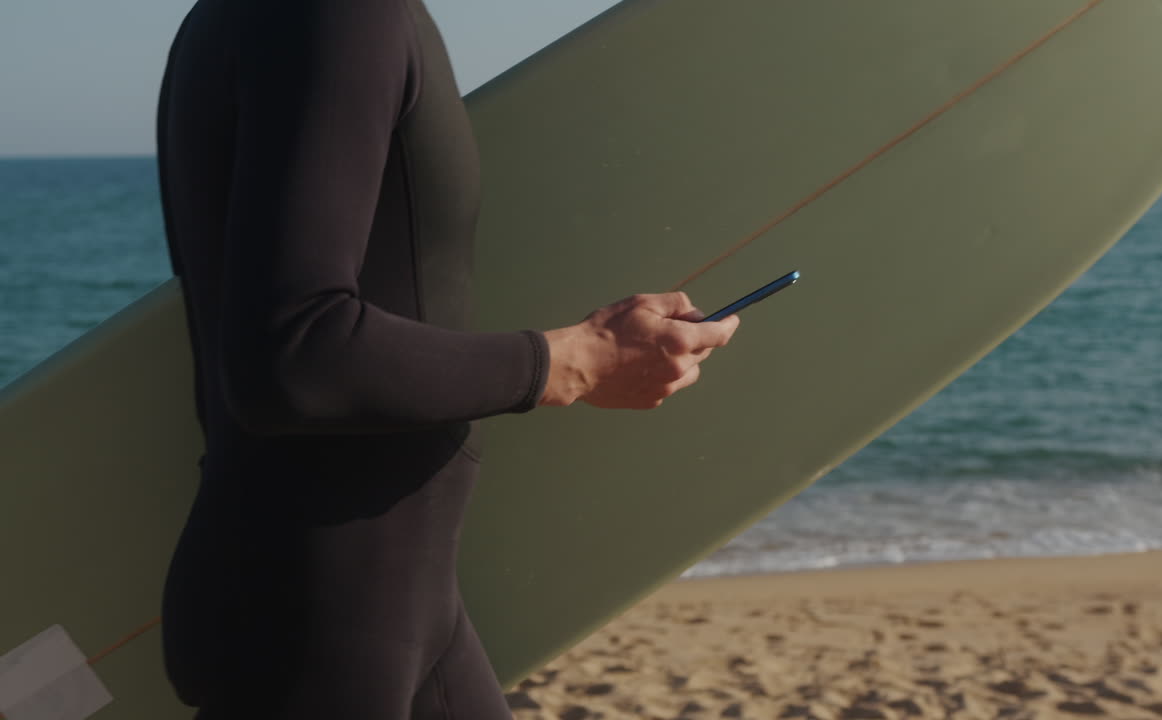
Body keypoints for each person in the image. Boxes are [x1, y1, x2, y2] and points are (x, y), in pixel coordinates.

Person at [154, 0, 739, 718]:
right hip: (316, 623)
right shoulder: (337, 17)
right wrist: (572, 361)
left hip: (387, 604)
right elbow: (292, 355)